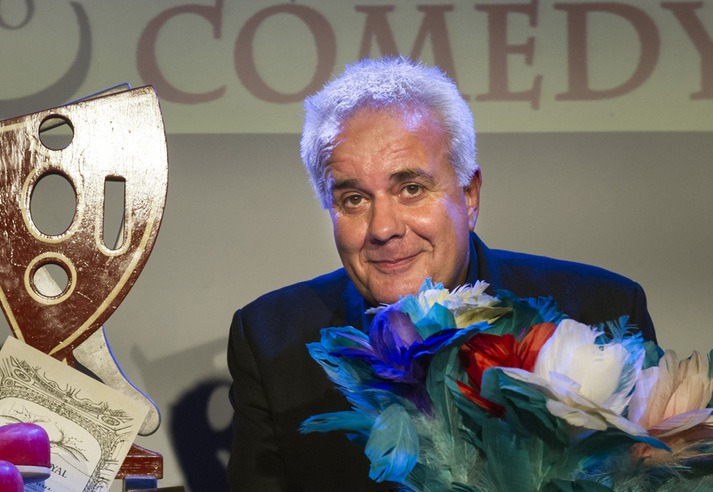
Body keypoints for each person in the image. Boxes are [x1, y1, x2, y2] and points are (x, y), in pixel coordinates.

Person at [226, 57, 656, 491]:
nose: (383, 229)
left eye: (411, 189)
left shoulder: (602, 311)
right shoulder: (271, 340)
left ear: (469, 196)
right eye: (354, 199)